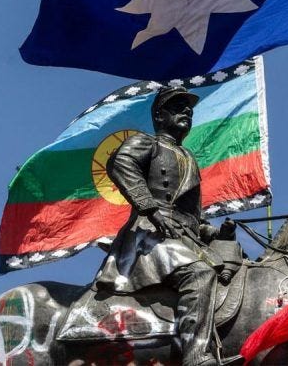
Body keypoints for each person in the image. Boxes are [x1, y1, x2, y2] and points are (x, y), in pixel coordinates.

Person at [96, 86, 234, 366]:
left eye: (189, 109)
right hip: (149, 236)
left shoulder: (188, 158)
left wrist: (218, 232)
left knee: (234, 268)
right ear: (160, 116)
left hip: (183, 238)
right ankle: (195, 357)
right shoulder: (147, 143)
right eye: (178, 107)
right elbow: (120, 163)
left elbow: (193, 219)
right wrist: (149, 207)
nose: (187, 112)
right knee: (199, 274)